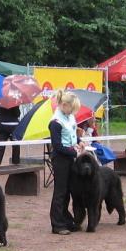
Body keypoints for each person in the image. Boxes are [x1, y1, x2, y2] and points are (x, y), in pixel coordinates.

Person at [48, 90, 84, 235]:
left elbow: (72, 134)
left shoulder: (69, 117)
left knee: (68, 190)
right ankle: (57, 224)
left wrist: (79, 142)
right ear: (64, 105)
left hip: (70, 157)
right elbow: (57, 146)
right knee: (60, 192)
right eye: (72, 108)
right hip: (60, 159)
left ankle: (66, 220)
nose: (73, 112)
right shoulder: (55, 122)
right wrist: (74, 152)